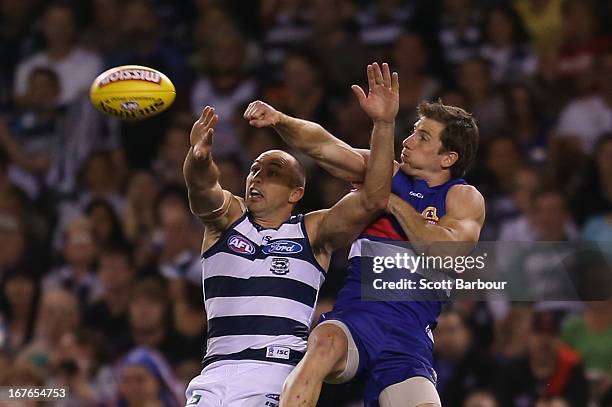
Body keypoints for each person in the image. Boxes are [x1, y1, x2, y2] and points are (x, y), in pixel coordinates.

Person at [244, 96, 484, 406]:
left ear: (448, 158)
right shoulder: (386, 173)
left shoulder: (463, 197)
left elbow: (446, 254)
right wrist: (280, 118)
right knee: (324, 343)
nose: (408, 141)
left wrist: (392, 202)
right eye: (412, 130)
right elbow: (322, 146)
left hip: (408, 340)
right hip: (356, 320)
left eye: (423, 137)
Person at [184, 62, 399, 406]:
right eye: (254, 169)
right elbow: (202, 186)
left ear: (296, 192)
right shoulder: (228, 219)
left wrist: (383, 123)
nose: (257, 177)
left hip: (276, 372)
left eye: (272, 172)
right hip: (214, 373)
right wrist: (197, 157)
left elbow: (373, 198)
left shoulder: (312, 231)